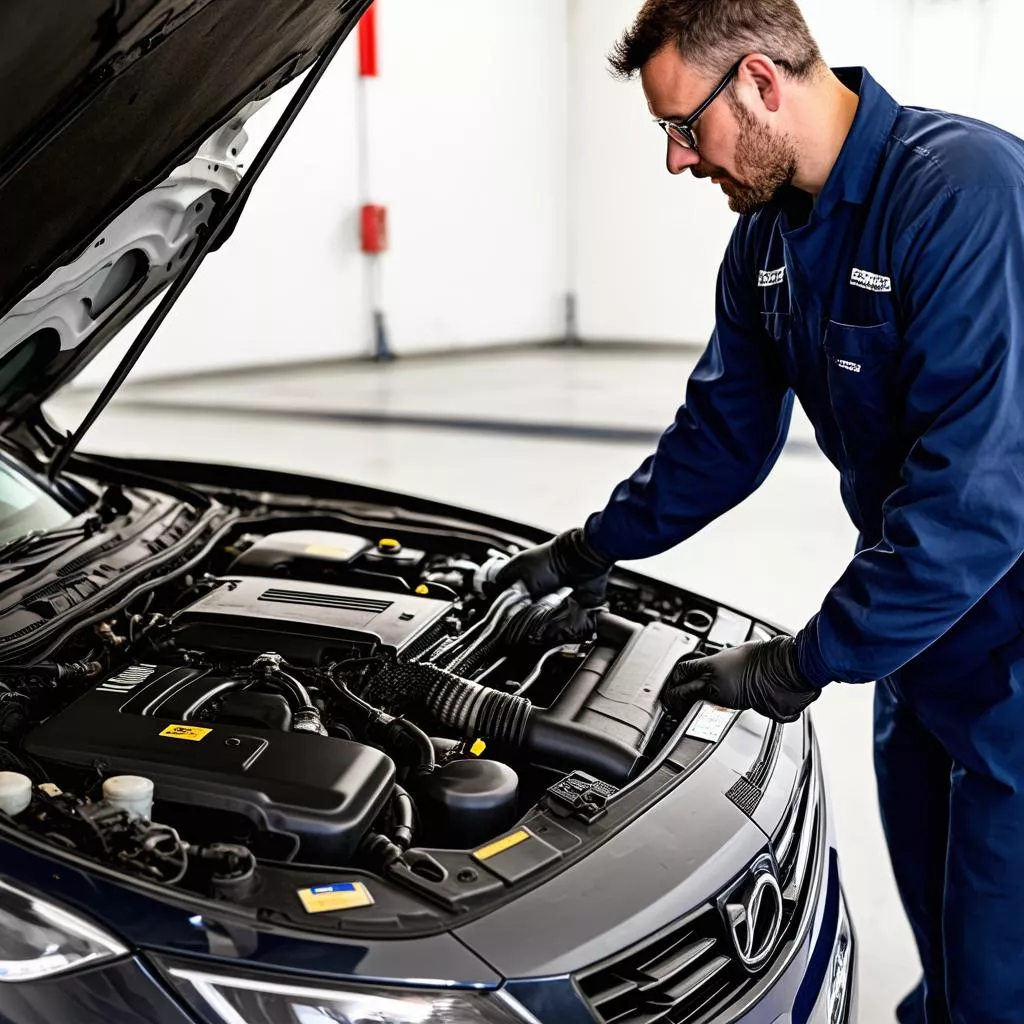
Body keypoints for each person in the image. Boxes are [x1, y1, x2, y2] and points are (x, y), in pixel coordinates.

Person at [494, 1, 1024, 1021]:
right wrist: (585, 550)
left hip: (1010, 653)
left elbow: (978, 499)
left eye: (681, 128)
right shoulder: (767, 246)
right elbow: (719, 440)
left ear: (757, 81)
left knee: (1001, 981)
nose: (678, 163)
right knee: (952, 957)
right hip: (918, 655)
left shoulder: (965, 194)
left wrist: (802, 660)